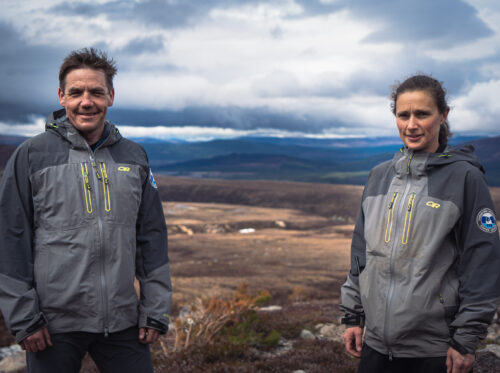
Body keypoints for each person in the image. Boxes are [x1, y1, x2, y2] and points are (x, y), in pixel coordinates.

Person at [0, 48, 172, 373]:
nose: (86, 101)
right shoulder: (31, 156)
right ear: (62, 96)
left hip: (123, 322)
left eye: (96, 92)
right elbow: (10, 239)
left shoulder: (134, 157)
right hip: (52, 326)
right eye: (76, 92)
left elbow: (151, 238)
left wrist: (155, 308)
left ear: (111, 96)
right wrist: (24, 319)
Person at [340, 74, 500, 373]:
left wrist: (466, 339)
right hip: (374, 346)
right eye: (403, 115)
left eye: (422, 114)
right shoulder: (378, 176)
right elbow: (360, 255)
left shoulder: (465, 178)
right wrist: (353, 316)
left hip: (433, 350)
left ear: (443, 115)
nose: (411, 125)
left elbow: (483, 263)